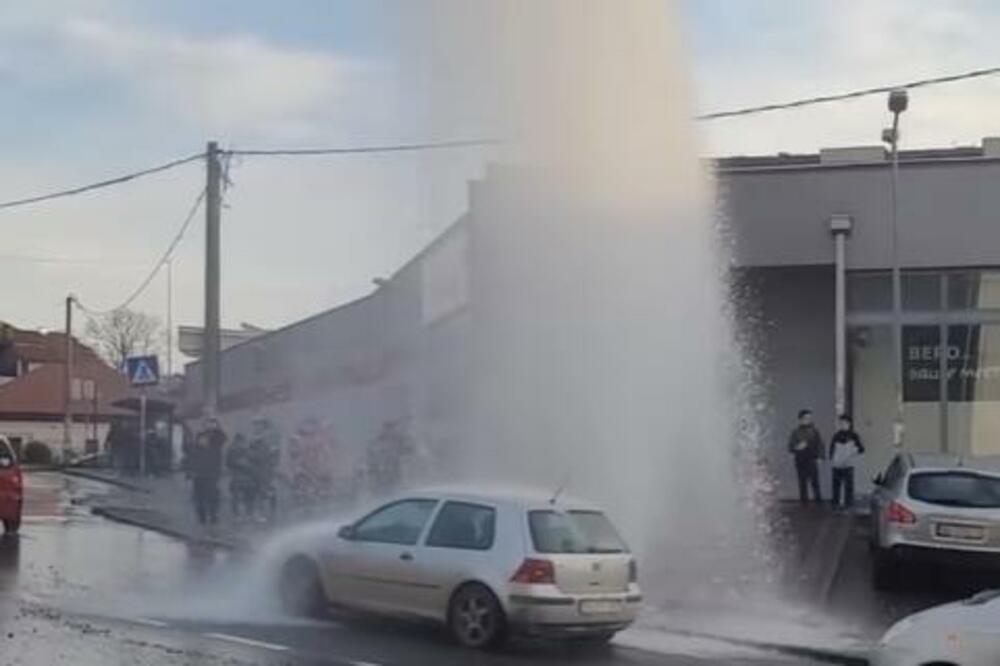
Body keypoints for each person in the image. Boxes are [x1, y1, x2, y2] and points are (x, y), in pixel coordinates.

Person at [188, 417, 227, 526]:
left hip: (212, 473)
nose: (203, 441)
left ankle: (213, 515)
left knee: (213, 495)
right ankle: (202, 517)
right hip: (199, 474)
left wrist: (216, 428)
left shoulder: (216, 441)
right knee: (199, 496)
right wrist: (191, 472)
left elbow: (223, 438)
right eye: (207, 424)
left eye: (212, 424)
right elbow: (192, 457)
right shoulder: (198, 442)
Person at [247, 415, 281, 521]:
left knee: (271, 490)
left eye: (259, 424)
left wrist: (274, 464)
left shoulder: (270, 437)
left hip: (268, 468)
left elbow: (275, 452)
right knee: (258, 492)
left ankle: (272, 511)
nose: (256, 427)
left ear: (263, 425)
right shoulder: (252, 439)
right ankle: (259, 513)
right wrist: (253, 458)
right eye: (255, 424)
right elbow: (249, 453)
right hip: (256, 469)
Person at [787, 408, 824, 504]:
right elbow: (790, 447)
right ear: (800, 419)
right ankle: (804, 503)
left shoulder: (815, 431)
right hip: (800, 459)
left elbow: (820, 444)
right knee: (802, 482)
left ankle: (818, 502)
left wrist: (820, 456)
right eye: (806, 418)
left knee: (815, 482)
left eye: (809, 418)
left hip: (811, 459)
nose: (808, 420)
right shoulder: (795, 432)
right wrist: (797, 447)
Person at [829, 414, 865, 510]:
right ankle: (835, 504)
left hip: (848, 464)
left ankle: (848, 505)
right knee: (836, 485)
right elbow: (831, 449)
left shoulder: (854, 436)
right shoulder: (836, 436)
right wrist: (832, 459)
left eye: (845, 423)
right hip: (837, 464)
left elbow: (862, 449)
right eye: (841, 423)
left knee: (849, 486)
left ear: (849, 424)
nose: (843, 425)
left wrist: (854, 451)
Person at [226, 433, 254, 520]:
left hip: (244, 476)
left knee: (245, 496)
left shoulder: (245, 449)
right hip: (239, 476)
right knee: (238, 497)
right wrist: (241, 463)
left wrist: (247, 463)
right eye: (240, 441)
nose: (240, 444)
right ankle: (240, 515)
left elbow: (252, 460)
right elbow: (229, 462)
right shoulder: (232, 449)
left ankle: (245, 514)